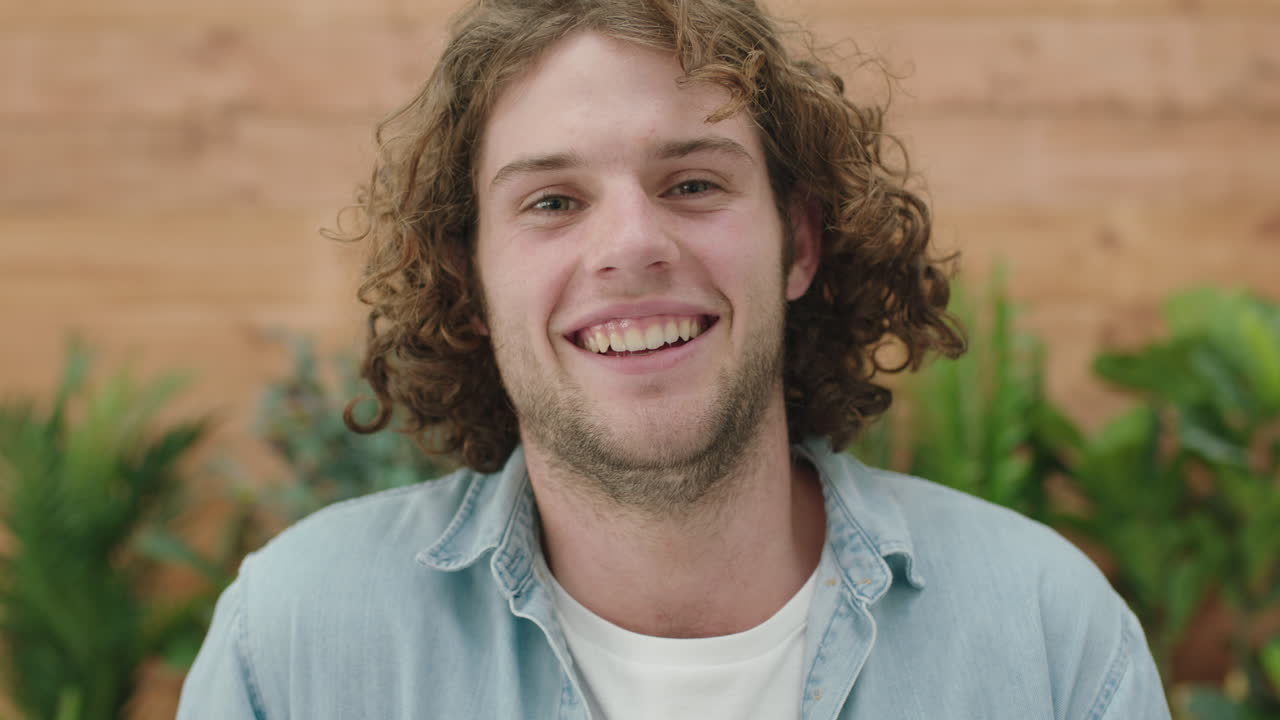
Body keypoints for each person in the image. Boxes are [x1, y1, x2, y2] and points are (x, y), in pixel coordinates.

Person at [178, 1, 1172, 717]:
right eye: (552, 202)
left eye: (692, 183)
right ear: (469, 281)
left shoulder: (1045, 636)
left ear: (798, 244)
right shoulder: (298, 648)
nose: (630, 246)